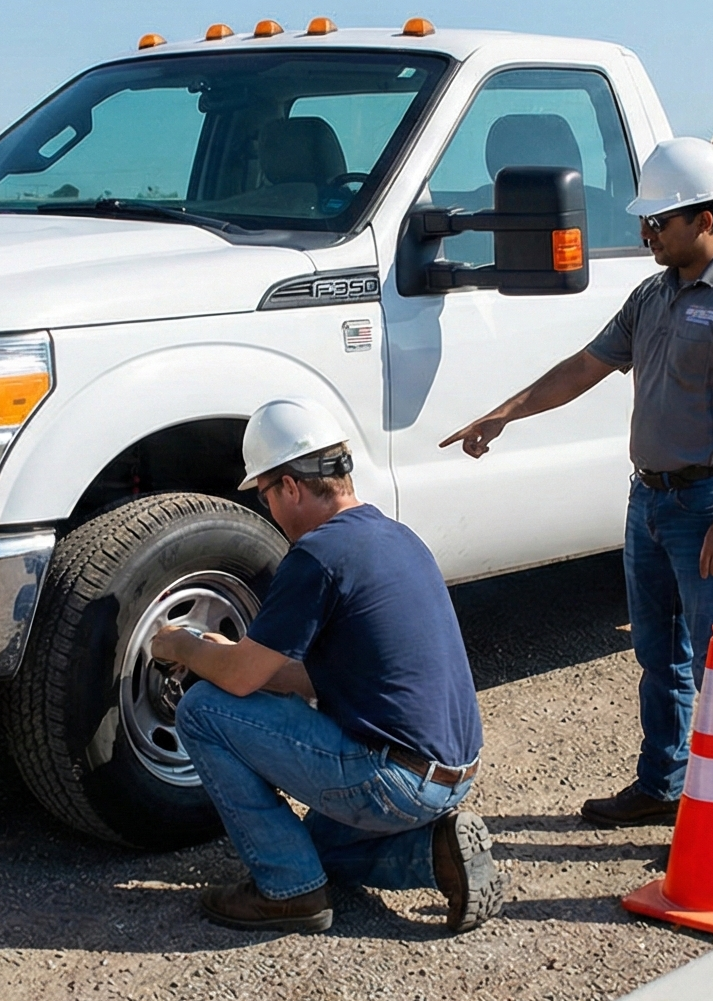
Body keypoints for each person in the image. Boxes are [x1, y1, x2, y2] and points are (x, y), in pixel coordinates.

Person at [439, 138, 713, 829]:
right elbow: (584, 366)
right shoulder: (653, 296)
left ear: (706, 219)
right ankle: (663, 785)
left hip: (708, 505)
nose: (646, 233)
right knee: (659, 656)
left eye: (659, 222)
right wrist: (503, 414)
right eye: (647, 221)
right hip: (651, 502)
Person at [156, 400, 507, 934]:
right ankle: (436, 852)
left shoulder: (319, 555)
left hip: (396, 779)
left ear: (291, 488)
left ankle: (288, 893)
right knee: (314, 846)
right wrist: (236, 660)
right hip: (451, 773)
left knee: (204, 710)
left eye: (267, 495)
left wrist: (184, 645)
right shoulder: (394, 536)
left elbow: (241, 678)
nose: (269, 510)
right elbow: (320, 675)